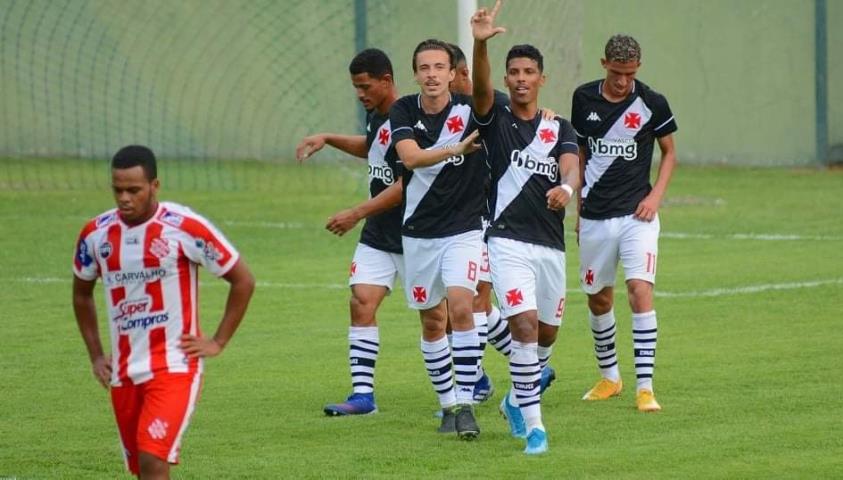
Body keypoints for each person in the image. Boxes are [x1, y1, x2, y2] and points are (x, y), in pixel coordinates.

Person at [72, 145, 255, 479]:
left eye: (134, 190)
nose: (124, 198)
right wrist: (96, 355)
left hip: (174, 366)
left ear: (154, 186)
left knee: (153, 457)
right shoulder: (96, 234)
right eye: (118, 190)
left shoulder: (184, 227)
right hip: (124, 372)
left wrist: (218, 341)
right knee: (142, 469)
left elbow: (242, 280)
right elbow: (81, 294)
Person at [470, 0, 580, 454]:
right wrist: (479, 45)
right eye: (513, 72)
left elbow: (571, 165)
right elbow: (480, 87)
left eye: (528, 72)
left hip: (550, 245)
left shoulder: (560, 127)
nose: (520, 78)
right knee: (525, 325)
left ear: (541, 79)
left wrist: (567, 189)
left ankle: (516, 399)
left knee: (547, 335)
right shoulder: (493, 119)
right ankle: (536, 428)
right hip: (506, 241)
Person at [570, 34, 677, 412]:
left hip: (637, 216)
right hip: (596, 216)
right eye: (616, 72)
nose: (622, 80)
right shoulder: (584, 98)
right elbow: (580, 154)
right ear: (604, 64)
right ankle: (610, 377)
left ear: (638, 68)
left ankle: (645, 388)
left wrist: (655, 197)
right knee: (598, 297)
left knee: (639, 290)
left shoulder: (651, 102)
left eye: (629, 73)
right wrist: (579, 210)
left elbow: (669, 153)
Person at [295, 48, 404, 416]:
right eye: (356, 87)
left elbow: (406, 184)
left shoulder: (408, 118)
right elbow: (374, 147)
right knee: (361, 301)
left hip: (417, 233)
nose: (360, 94)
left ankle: (519, 368)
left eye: (365, 86)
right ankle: (362, 397)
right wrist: (327, 137)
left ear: (386, 81)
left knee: (454, 314)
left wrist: (356, 213)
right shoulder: (377, 115)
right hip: (379, 233)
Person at [389, 38, 486, 440]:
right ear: (415, 74)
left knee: (461, 306)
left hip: (464, 230)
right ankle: (447, 404)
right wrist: (455, 148)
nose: (431, 74)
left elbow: (515, 105)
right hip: (418, 232)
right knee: (432, 321)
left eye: (439, 67)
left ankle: (466, 403)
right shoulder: (403, 110)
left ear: (452, 73)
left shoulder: (472, 110)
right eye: (424, 67)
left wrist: (480, 41)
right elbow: (410, 157)